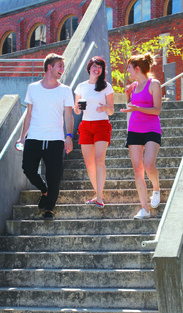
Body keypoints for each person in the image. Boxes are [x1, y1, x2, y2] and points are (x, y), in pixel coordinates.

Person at [16, 53, 74, 221]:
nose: (62, 70)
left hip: (55, 139)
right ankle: (44, 190)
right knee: (28, 168)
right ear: (49, 67)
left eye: (63, 67)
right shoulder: (33, 88)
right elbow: (28, 114)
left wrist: (68, 136)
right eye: (60, 66)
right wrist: (22, 137)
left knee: (54, 176)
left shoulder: (65, 90)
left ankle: (50, 208)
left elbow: (68, 115)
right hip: (34, 137)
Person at [120, 53, 162, 220]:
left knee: (149, 165)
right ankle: (145, 208)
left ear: (137, 68)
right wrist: (128, 97)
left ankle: (156, 187)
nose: (127, 71)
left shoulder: (154, 84)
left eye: (129, 67)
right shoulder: (133, 85)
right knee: (138, 170)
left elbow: (157, 110)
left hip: (151, 129)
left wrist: (137, 108)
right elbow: (131, 104)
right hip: (134, 129)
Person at [74, 56, 114, 208]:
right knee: (89, 163)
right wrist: (77, 107)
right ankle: (98, 193)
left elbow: (111, 110)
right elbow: (77, 111)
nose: (97, 69)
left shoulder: (106, 86)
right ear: (89, 67)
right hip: (85, 126)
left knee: (99, 160)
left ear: (102, 70)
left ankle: (99, 197)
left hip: (101, 125)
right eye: (94, 66)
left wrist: (105, 107)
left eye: (100, 67)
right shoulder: (81, 87)